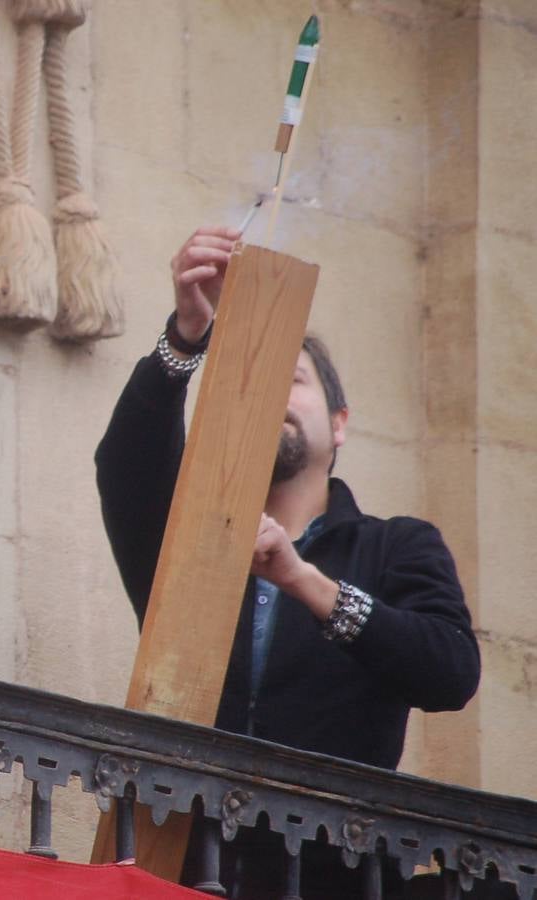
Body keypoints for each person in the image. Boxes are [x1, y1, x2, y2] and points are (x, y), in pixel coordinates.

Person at [95, 227, 481, 895]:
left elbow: (448, 670)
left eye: (292, 378)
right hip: (183, 873)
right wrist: (186, 336)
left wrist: (301, 581)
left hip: (332, 880)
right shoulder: (189, 540)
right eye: (256, 378)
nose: (271, 391)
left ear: (338, 423)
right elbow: (124, 464)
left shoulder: (396, 545)